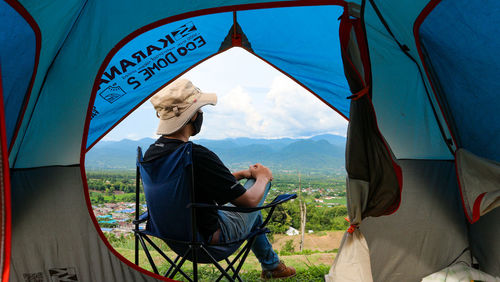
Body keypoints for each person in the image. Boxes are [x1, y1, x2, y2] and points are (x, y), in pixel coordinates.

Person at [143, 78, 296, 279]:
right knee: (254, 199)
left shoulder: (152, 153)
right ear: (192, 116)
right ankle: (271, 265)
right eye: (199, 111)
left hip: (174, 239)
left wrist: (239, 175)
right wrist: (263, 177)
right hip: (209, 242)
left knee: (250, 212)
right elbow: (249, 202)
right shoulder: (195, 154)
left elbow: (188, 185)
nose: (200, 115)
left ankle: (272, 265)